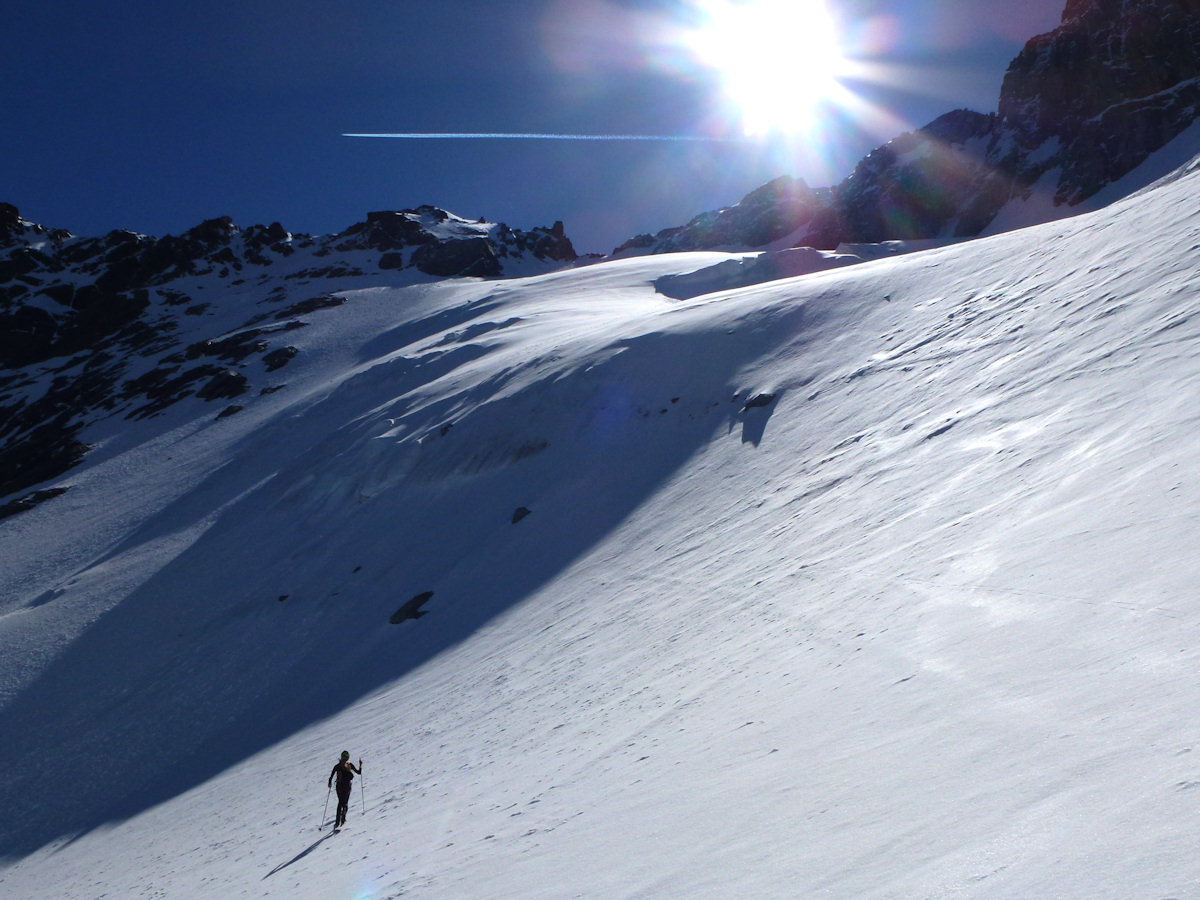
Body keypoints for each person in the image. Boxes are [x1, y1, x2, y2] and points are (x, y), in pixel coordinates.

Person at [328, 751, 362, 828]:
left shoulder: (337, 766)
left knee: (340, 802)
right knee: (345, 802)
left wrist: (329, 783)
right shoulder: (349, 765)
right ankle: (343, 819)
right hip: (347, 786)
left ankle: (337, 821)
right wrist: (360, 765)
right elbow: (359, 772)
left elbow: (331, 776)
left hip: (339, 786)